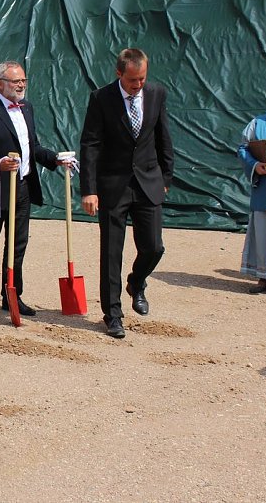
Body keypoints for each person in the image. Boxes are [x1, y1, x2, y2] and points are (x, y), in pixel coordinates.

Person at [80, 48, 174, 339]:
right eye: (133, 80)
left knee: (154, 247)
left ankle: (136, 281)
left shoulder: (156, 94)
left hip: (148, 182)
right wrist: (89, 190)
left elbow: (163, 136)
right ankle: (113, 314)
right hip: (113, 185)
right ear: (119, 73)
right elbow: (90, 144)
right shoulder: (101, 98)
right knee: (111, 252)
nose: (138, 84)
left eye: (142, 78)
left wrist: (166, 177)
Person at [0, 61, 70, 320]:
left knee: (17, 244)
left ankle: (12, 295)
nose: (21, 85)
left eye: (23, 80)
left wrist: (55, 158)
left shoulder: (27, 108)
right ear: (0, 83)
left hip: (22, 187)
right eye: (16, 81)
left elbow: (32, 147)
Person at [238, 95, 266, 293]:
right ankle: (264, 277)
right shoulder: (258, 124)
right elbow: (243, 149)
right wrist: (255, 165)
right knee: (264, 234)